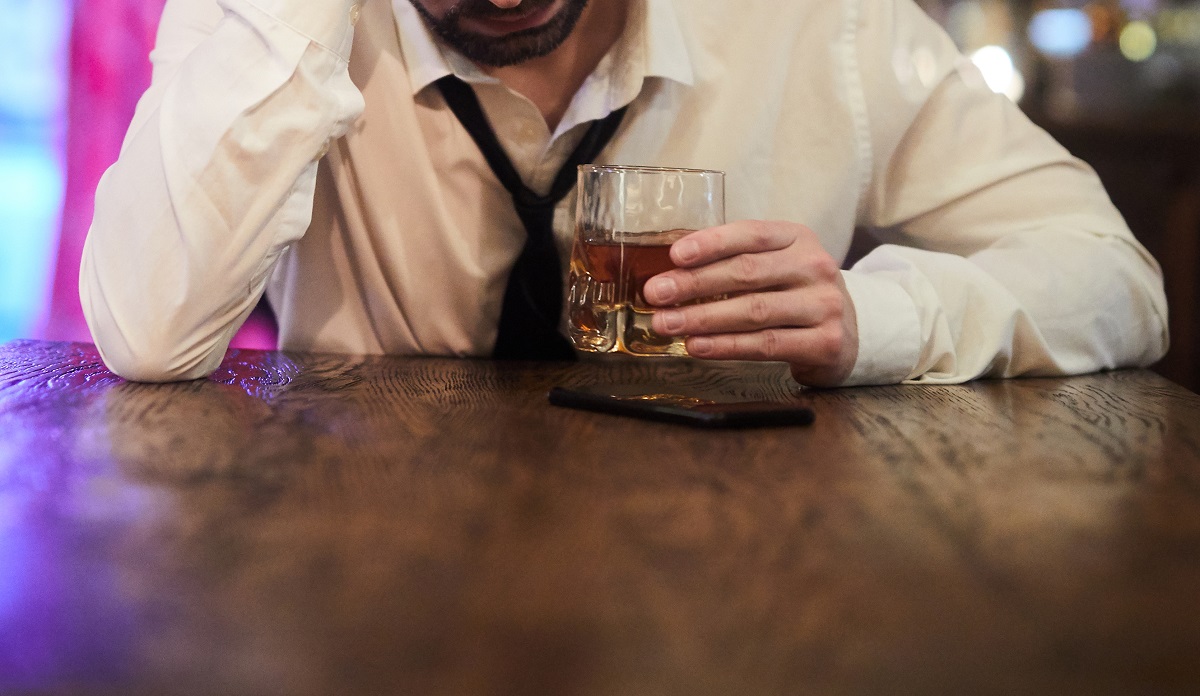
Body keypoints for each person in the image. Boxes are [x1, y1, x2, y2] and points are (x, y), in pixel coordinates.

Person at [80, 0, 1169, 387]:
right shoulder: (280, 21)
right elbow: (145, 332)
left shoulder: (824, 25)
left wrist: (876, 320)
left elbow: (1116, 279)